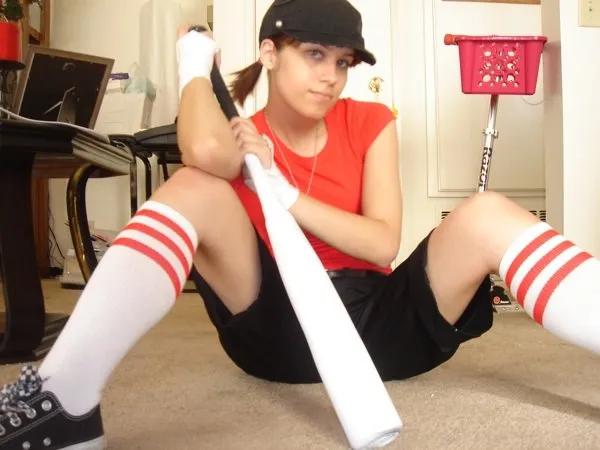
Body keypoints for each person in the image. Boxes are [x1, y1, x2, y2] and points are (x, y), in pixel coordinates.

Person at [2, 0, 599, 448]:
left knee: (486, 211)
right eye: (314, 54)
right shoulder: (239, 136)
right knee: (196, 185)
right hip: (276, 332)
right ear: (269, 53)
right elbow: (202, 153)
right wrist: (194, 66)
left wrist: (285, 193)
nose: (330, 76)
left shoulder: (369, 121)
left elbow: (381, 242)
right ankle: (67, 400)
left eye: (343, 62)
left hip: (379, 329)